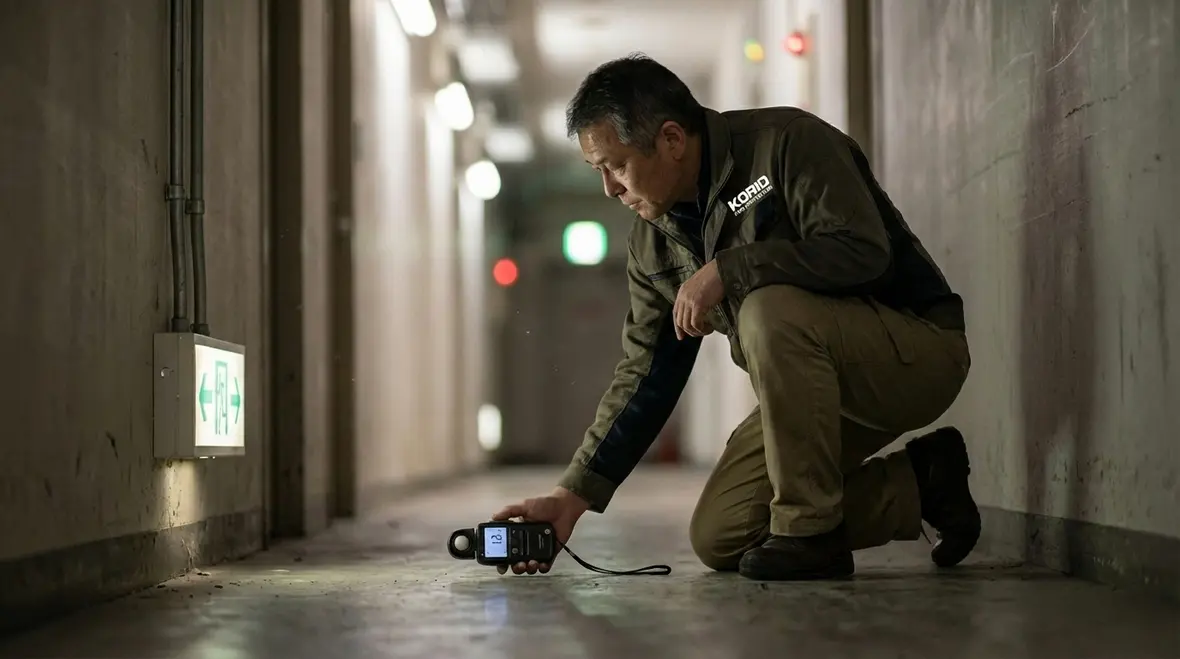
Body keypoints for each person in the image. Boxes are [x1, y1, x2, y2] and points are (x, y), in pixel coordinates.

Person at [492, 53, 978, 581]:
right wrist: (573, 496)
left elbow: (864, 251)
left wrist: (732, 267)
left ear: (672, 140)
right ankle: (923, 483)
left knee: (769, 307)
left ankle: (809, 533)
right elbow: (646, 374)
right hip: (812, 395)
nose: (609, 188)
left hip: (915, 352)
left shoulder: (786, 144)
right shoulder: (652, 244)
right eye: (598, 171)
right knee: (721, 534)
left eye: (617, 165)